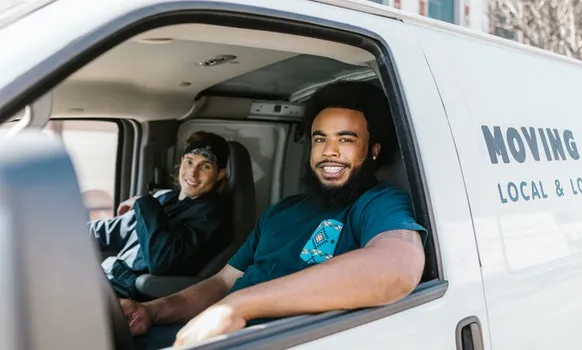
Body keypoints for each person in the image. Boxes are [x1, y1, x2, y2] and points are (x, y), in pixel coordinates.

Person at [121, 80, 427, 348]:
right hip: (200, 333)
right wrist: (152, 311)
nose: (329, 151)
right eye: (320, 139)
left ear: (372, 150)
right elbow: (223, 283)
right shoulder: (281, 210)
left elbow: (399, 267)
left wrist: (238, 307)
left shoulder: (378, 203)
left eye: (345, 140)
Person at [91, 131, 234, 300]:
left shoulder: (211, 216)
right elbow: (111, 231)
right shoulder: (164, 198)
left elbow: (161, 261)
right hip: (105, 278)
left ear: (220, 174)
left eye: (206, 166)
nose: (193, 173)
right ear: (181, 162)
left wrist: (143, 203)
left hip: (129, 293)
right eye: (189, 162)